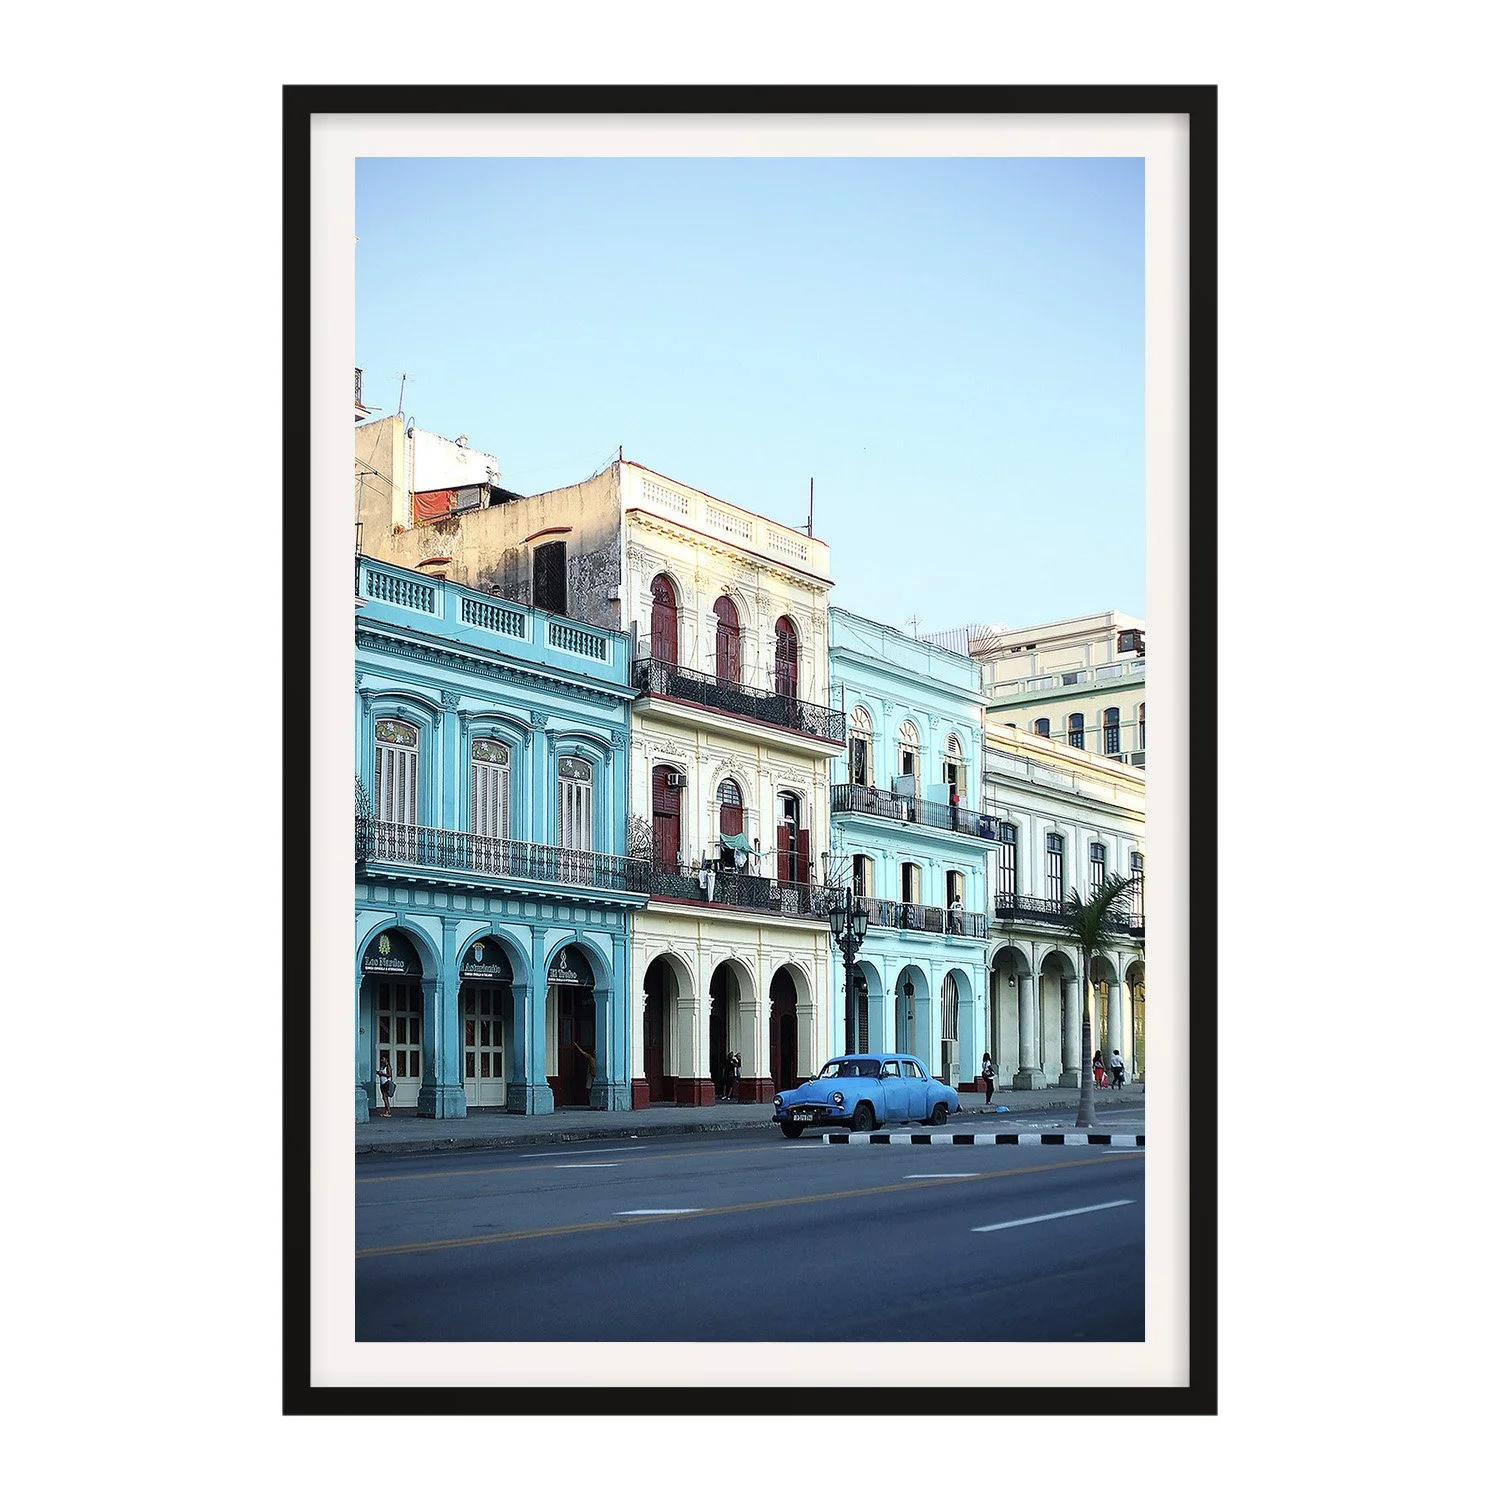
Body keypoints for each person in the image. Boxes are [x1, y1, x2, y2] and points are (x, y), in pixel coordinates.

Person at [572, 1040, 597, 1105]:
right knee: (588, 1088)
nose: (595, 1052)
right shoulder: (590, 1058)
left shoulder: (600, 1059)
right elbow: (582, 1052)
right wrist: (576, 1046)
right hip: (591, 1075)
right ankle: (590, 1101)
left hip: (597, 1075)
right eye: (594, 1051)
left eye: (596, 1051)